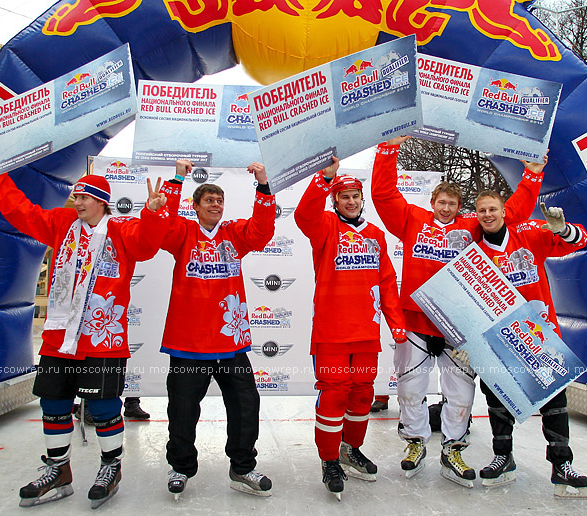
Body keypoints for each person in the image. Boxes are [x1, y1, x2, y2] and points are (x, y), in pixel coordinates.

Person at [0, 159, 171, 509]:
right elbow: (21, 211)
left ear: (102, 200)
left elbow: (146, 246)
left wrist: (152, 213)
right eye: (75, 196)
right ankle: (58, 470)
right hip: (59, 337)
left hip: (103, 339)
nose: (77, 202)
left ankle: (110, 468)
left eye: (84, 197)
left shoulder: (123, 229)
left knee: (103, 408)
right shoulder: (61, 223)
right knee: (53, 404)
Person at [370, 136, 545, 485]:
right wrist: (388, 151)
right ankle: (416, 442)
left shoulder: (471, 227)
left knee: (460, 393)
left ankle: (453, 447)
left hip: (457, 326)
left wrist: (533, 176)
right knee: (409, 389)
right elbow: (384, 195)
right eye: (442, 202)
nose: (446, 208)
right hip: (417, 321)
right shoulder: (412, 220)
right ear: (432, 202)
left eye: (453, 203)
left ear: (460, 207)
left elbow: (510, 214)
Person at [157, 159, 275, 500]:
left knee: (245, 404)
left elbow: (262, 230)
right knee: (182, 410)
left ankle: (241, 467)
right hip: (188, 342)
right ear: (194, 207)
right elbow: (161, 226)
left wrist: (263, 185)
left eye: (219, 200)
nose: (215, 205)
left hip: (230, 342)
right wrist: (177, 178)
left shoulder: (234, 234)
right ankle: (180, 466)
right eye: (208, 200)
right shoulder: (182, 232)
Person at [295, 157, 407, 500]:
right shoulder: (325, 225)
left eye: (355, 196)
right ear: (335, 200)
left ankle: (350, 448)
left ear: (362, 199)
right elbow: (303, 216)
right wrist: (324, 178)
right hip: (331, 333)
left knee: (362, 394)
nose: (351, 201)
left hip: (366, 333)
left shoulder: (375, 235)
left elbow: (387, 282)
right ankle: (329, 460)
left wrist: (397, 324)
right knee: (334, 394)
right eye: (344, 196)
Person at [474, 191, 587, 499]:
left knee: (555, 402)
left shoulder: (527, 234)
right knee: (497, 399)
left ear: (503, 211)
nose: (487, 215)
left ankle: (561, 465)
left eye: (493, 209)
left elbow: (578, 240)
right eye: (482, 210)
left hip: (540, 337)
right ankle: (503, 456)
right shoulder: (472, 250)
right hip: (499, 341)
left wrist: (562, 229)